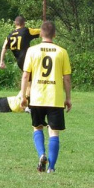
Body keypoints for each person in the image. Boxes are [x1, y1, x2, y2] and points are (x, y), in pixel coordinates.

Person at [21, 21, 72, 173]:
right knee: (54, 132)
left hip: (37, 96)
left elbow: (25, 76)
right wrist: (68, 98)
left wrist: (23, 96)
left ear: (40, 34)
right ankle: (51, 167)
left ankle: (42, 154)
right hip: (54, 98)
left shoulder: (32, 50)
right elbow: (67, 78)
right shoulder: (61, 52)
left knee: (37, 128)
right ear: (54, 34)